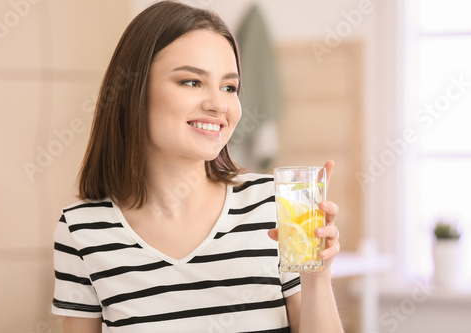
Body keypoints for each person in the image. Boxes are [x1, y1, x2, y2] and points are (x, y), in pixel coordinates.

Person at [51, 1, 342, 332]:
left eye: (229, 87)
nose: (218, 104)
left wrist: (317, 277)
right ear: (134, 89)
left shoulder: (273, 207)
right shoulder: (83, 230)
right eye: (191, 82)